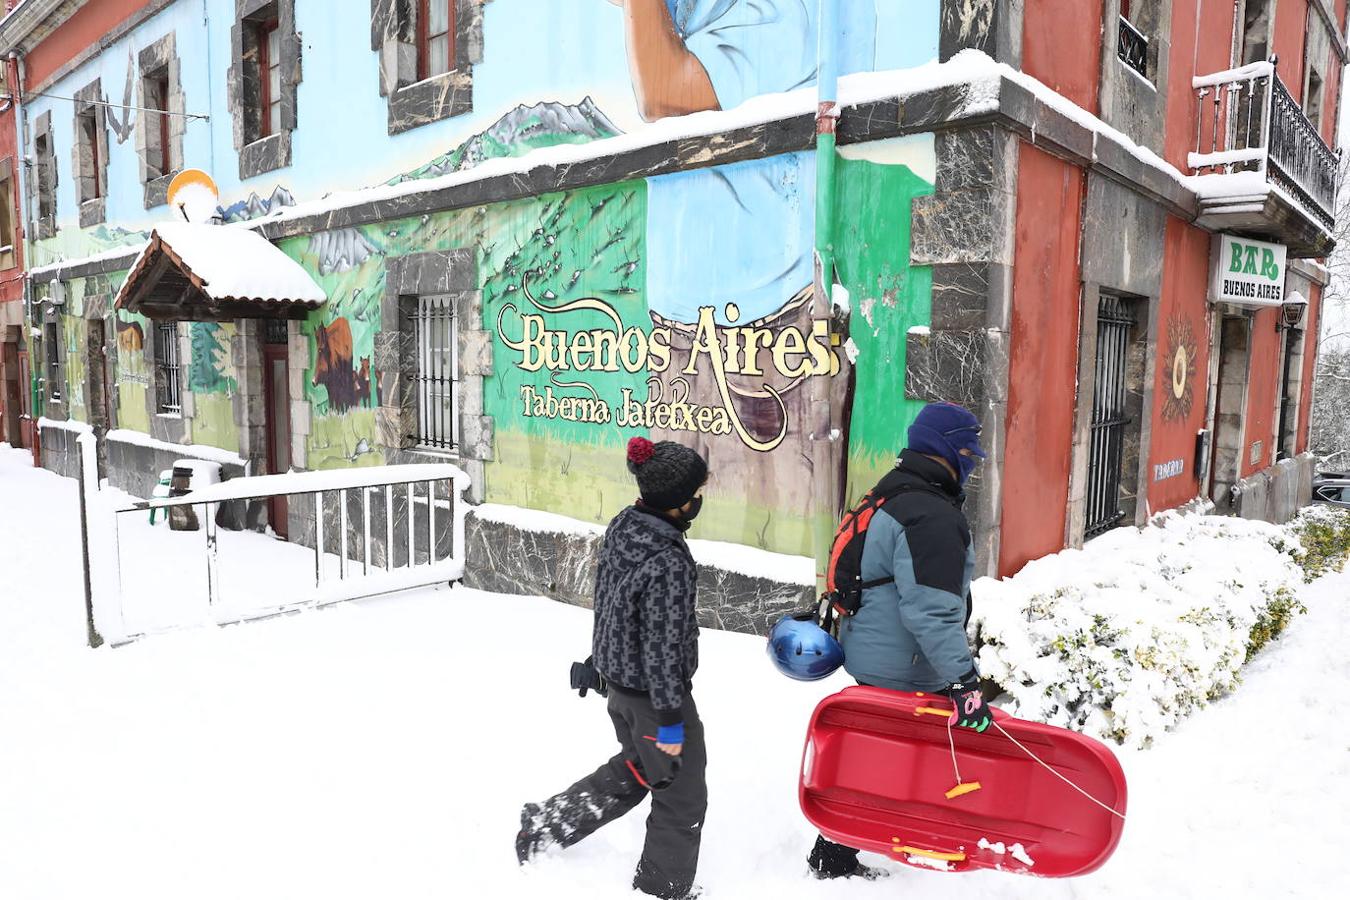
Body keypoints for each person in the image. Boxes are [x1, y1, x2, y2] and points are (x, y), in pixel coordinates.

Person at [806, 402, 994, 880]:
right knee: (891, 761)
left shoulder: (894, 492)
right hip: (906, 663)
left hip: (876, 651)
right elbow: (931, 611)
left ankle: (837, 851)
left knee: (872, 756)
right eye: (971, 447)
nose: (976, 459)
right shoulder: (929, 514)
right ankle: (853, 850)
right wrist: (964, 681)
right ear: (950, 448)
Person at [516, 436, 709, 900]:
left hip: (622, 690)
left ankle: (548, 822)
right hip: (655, 701)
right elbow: (662, 646)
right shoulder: (668, 560)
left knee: (642, 769)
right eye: (696, 493)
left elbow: (613, 607)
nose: (700, 499)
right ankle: (662, 888)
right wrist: (669, 721)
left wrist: (599, 664)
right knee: (680, 793)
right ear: (676, 503)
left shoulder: (627, 524)